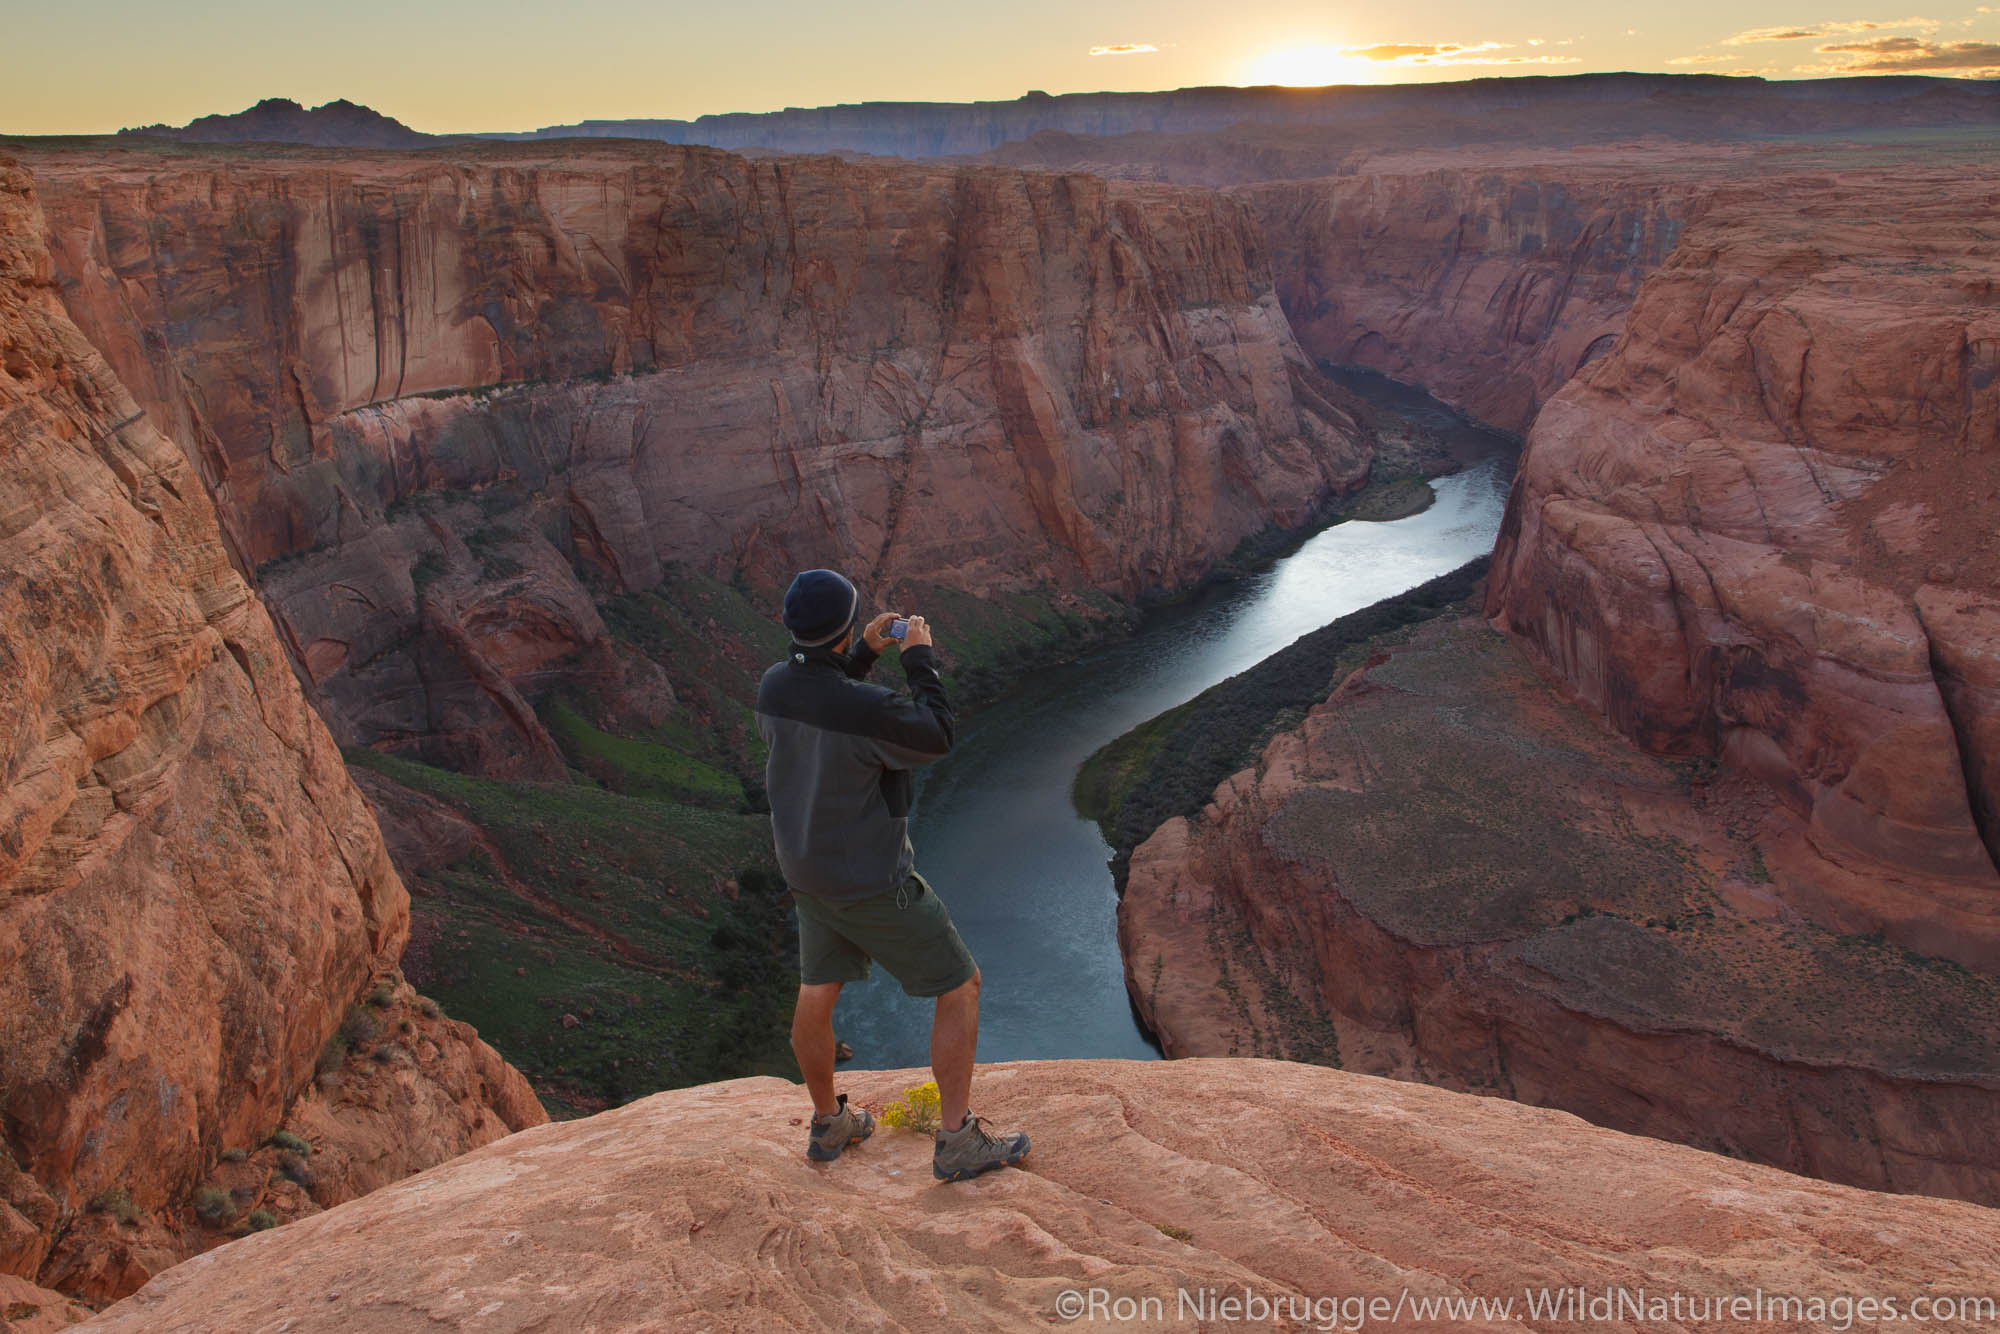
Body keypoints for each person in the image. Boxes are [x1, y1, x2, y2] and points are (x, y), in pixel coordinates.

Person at [754, 568, 1030, 1182]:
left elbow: (824, 700)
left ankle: (828, 1123)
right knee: (961, 985)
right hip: (872, 881)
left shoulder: (774, 687)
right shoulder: (868, 707)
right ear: (845, 624)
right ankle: (957, 1142)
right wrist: (918, 659)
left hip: (805, 874)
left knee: (817, 992)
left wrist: (860, 656)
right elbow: (936, 735)